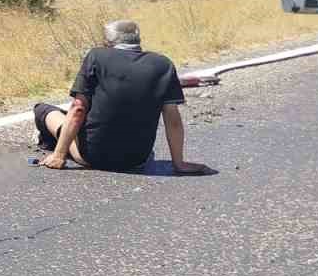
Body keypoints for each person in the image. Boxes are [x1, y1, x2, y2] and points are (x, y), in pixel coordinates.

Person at [34, 20, 208, 174]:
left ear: (108, 42)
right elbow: (173, 120)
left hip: (93, 156)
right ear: (138, 41)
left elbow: (78, 109)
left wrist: (58, 156)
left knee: (44, 110)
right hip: (137, 159)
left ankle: (55, 146)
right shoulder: (163, 64)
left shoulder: (97, 56)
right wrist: (179, 163)